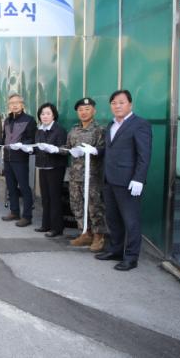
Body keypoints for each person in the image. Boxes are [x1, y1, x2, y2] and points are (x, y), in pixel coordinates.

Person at [96, 90, 152, 271]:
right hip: (109, 179)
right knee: (113, 219)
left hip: (128, 181)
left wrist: (139, 179)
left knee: (131, 221)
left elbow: (144, 155)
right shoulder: (111, 124)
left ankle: (131, 257)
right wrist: (95, 151)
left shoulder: (140, 124)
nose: (117, 106)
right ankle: (115, 250)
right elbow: (110, 150)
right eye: (113, 103)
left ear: (130, 104)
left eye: (121, 102)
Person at [57, 97, 107, 252]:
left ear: (94, 111)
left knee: (94, 206)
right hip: (75, 176)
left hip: (91, 176)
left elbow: (103, 150)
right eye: (80, 110)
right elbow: (68, 147)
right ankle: (85, 233)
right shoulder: (74, 130)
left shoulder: (99, 130)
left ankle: (99, 236)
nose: (83, 112)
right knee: (76, 205)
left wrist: (94, 151)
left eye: (87, 109)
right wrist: (56, 149)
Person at [0, 93, 37, 226]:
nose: (14, 105)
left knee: (24, 187)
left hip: (20, 159)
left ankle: (27, 216)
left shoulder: (29, 120)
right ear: (8, 106)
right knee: (11, 187)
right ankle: (14, 211)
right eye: (11, 103)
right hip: (8, 158)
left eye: (17, 102)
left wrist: (22, 144)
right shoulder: (7, 120)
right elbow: (4, 137)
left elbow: (32, 139)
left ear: (22, 104)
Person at [32, 103, 68, 237]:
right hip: (42, 166)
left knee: (54, 197)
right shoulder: (39, 129)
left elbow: (64, 149)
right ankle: (45, 224)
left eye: (48, 113)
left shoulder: (59, 130)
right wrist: (29, 149)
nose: (45, 116)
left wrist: (54, 149)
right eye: (42, 114)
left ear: (53, 115)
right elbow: (37, 147)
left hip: (55, 167)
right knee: (45, 197)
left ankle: (56, 228)